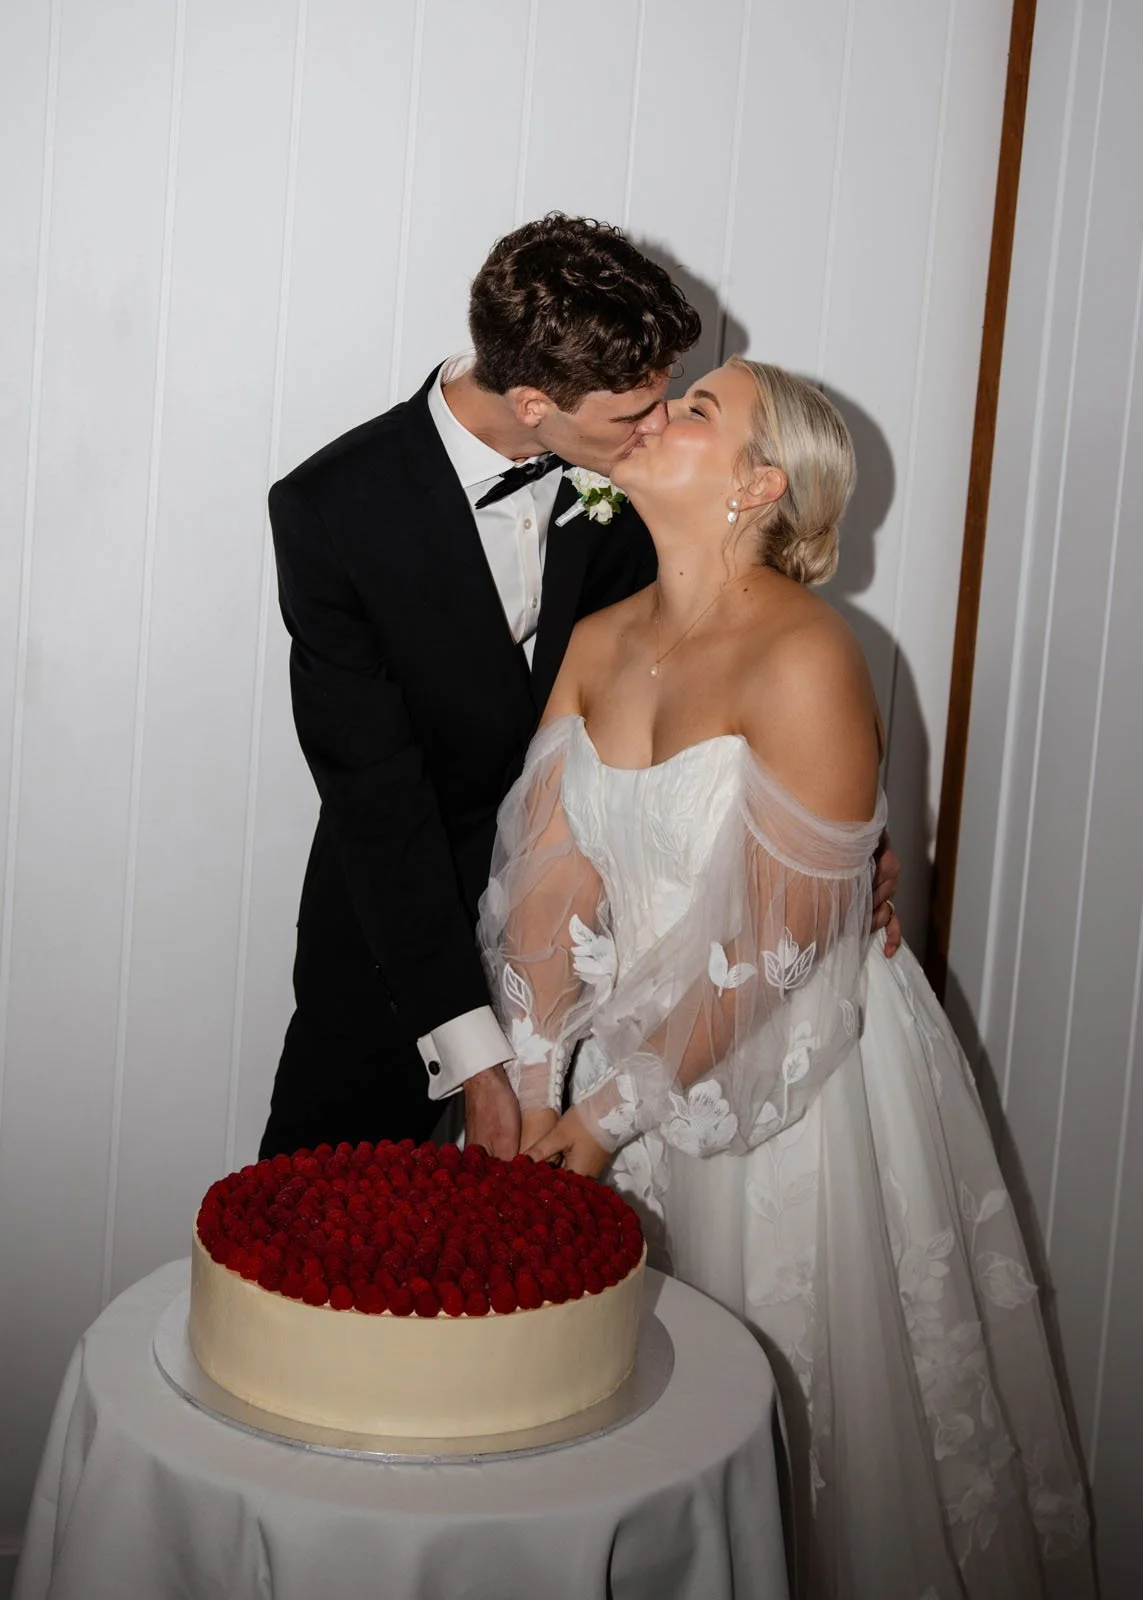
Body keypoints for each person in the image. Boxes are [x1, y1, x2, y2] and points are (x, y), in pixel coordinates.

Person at [477, 358, 1094, 1597]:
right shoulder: (598, 636)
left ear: (762, 485)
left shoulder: (814, 654)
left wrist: (608, 1117)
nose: (659, 413)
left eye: (696, 407)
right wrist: (539, 1085)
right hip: (595, 1083)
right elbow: (546, 874)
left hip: (779, 1088)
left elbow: (782, 934)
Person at [259, 213, 900, 1164]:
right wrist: (485, 1060)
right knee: (315, 1222)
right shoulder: (329, 513)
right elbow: (371, 792)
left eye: (675, 402)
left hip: (637, 963)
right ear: (531, 403)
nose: (656, 430)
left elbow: (743, 648)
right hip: (401, 928)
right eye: (634, 416)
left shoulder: (648, 477)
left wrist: (843, 855)